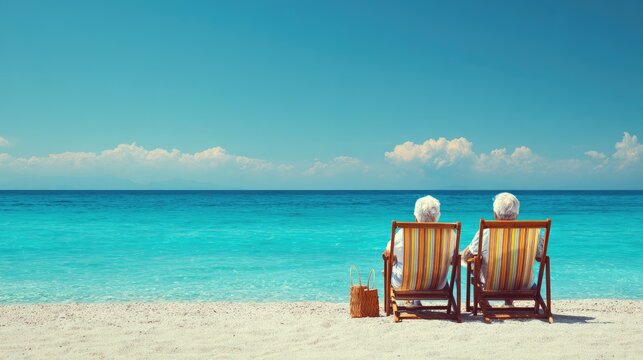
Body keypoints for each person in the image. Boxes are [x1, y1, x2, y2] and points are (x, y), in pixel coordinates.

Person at [461, 192, 544, 304]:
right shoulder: (533, 233)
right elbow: (540, 258)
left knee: (473, 263)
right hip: (524, 285)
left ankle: (485, 304)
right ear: (517, 213)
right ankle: (509, 302)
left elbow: (467, 258)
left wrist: (465, 252)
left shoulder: (486, 232)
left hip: (492, 285)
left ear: (495, 214)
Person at [382, 195, 446, 291]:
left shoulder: (404, 234)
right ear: (437, 215)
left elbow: (386, 254)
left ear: (416, 216)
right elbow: (454, 259)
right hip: (437, 284)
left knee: (388, 270)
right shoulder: (448, 234)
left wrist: (393, 261)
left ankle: (412, 300)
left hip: (404, 284)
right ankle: (415, 301)